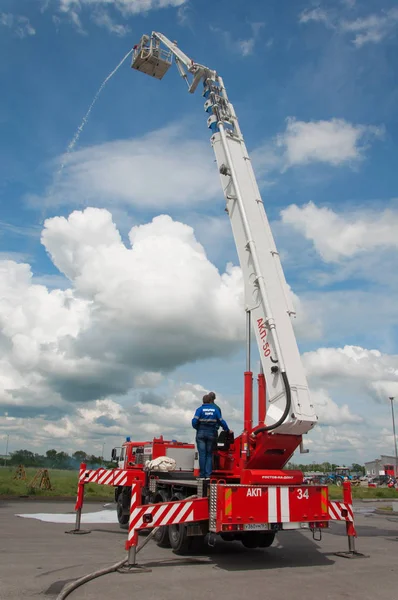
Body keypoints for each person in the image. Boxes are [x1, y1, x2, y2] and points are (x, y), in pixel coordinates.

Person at [192, 394, 230, 479]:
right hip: (211, 433)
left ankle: (202, 475)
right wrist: (226, 429)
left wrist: (198, 428)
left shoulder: (199, 409)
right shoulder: (215, 409)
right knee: (209, 454)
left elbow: (194, 421)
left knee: (202, 455)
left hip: (201, 433)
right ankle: (208, 475)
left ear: (203, 401)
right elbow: (221, 421)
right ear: (211, 401)